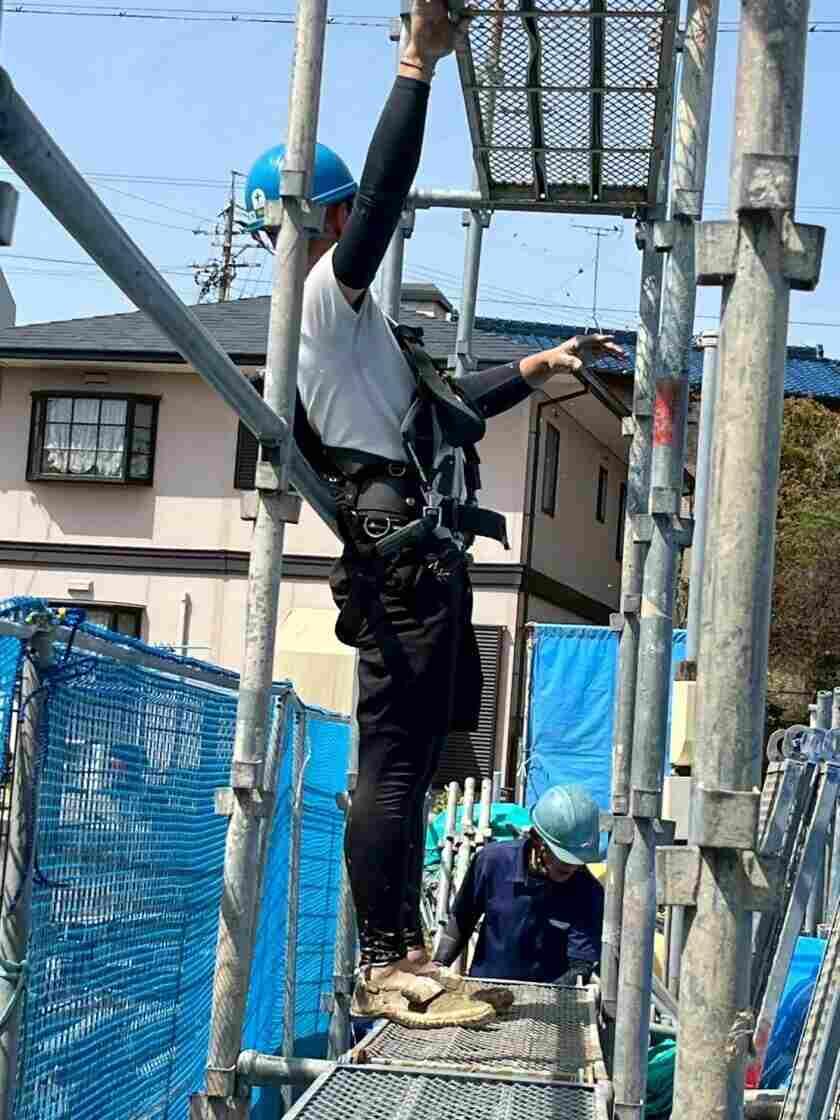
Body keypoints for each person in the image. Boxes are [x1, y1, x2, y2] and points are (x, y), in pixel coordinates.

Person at [244, 0, 622, 1025]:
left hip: (422, 550)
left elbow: (442, 414)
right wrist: (416, 63)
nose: (354, 231)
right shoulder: (324, 294)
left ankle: (407, 945)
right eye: (341, 218)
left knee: (425, 758)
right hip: (399, 553)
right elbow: (380, 201)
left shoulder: (360, 336)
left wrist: (536, 370)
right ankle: (385, 956)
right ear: (318, 219)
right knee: (394, 761)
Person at [433, 785, 605, 985]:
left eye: (578, 860)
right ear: (537, 840)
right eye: (564, 857)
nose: (572, 866)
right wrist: (438, 966)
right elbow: (462, 920)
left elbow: (580, 964)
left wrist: (545, 1000)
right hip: (485, 991)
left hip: (551, 1000)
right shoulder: (493, 862)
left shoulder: (588, 892)